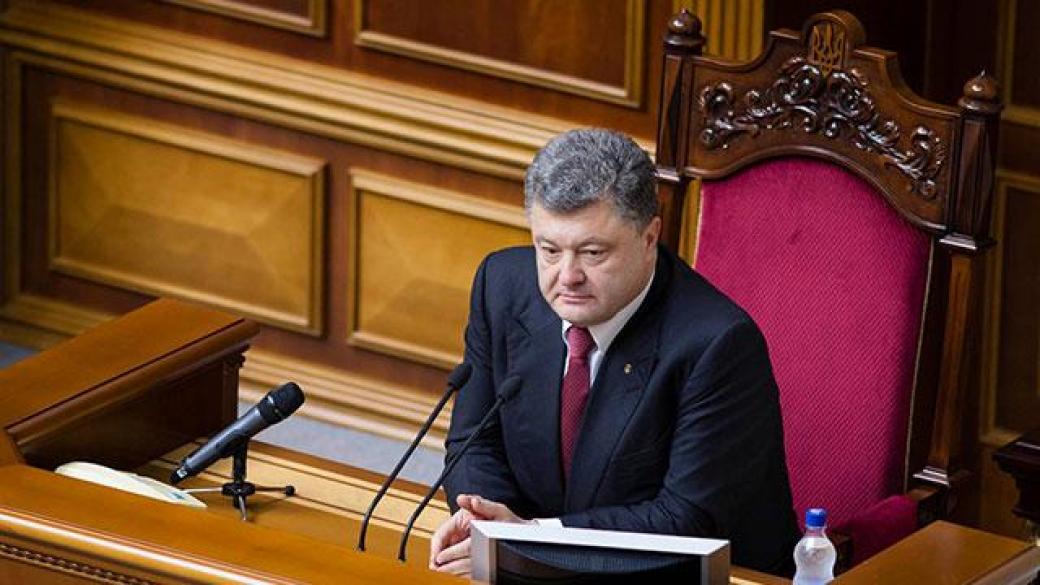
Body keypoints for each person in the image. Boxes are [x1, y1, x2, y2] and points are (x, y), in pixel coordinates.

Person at [430, 128, 798, 577]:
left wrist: (533, 540)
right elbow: (472, 442)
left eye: (592, 252)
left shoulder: (717, 344)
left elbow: (686, 519)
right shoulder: (501, 286)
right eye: (549, 250)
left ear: (649, 238)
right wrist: (490, 529)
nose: (567, 276)